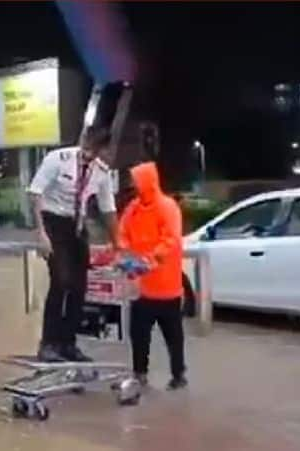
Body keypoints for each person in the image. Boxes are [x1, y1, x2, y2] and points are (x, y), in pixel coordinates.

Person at [27, 126, 119, 362]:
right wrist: (41, 234)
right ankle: (48, 344)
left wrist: (118, 245)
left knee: (79, 286)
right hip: (52, 220)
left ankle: (68, 343)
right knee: (61, 280)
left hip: (76, 225)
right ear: (83, 140)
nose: (89, 154)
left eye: (95, 151)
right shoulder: (58, 159)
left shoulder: (101, 172)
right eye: (87, 147)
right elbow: (35, 194)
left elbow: (108, 210)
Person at [118, 161, 187, 391]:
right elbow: (122, 233)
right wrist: (124, 254)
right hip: (142, 287)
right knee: (139, 334)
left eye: (136, 182)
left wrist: (150, 259)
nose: (133, 186)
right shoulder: (134, 208)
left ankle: (178, 374)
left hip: (167, 286)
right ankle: (140, 374)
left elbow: (171, 239)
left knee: (173, 335)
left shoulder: (167, 207)